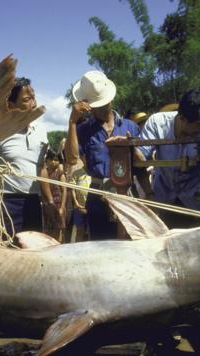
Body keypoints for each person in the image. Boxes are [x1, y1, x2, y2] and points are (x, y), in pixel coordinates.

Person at [64, 70, 140, 240]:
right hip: (98, 195)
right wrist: (72, 122)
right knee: (101, 244)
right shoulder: (82, 130)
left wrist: (130, 146)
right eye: (98, 104)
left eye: (105, 102)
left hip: (127, 194)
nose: (103, 107)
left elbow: (141, 164)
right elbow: (71, 158)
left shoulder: (130, 127)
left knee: (130, 245)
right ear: (87, 104)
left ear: (111, 99)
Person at [134, 88, 200, 229]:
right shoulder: (157, 123)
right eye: (198, 125)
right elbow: (140, 160)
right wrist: (149, 195)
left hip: (194, 204)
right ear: (182, 118)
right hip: (163, 201)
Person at [0, 77, 48, 241]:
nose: (34, 104)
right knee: (3, 253)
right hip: (5, 201)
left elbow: (41, 168)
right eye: (27, 100)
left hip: (33, 202)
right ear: (11, 105)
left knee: (32, 255)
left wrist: (49, 204)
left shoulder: (41, 130)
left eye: (33, 97)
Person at [40, 148, 67, 242]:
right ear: (46, 160)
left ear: (59, 161)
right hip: (47, 205)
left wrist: (62, 208)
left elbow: (64, 191)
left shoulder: (60, 174)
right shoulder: (44, 173)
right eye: (50, 159)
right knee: (47, 230)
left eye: (56, 160)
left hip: (58, 204)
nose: (53, 162)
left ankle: (58, 249)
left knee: (58, 230)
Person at [66, 157, 91, 242]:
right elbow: (72, 188)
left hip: (91, 207)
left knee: (91, 231)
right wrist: (76, 203)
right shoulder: (76, 173)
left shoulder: (95, 174)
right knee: (80, 230)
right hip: (79, 207)